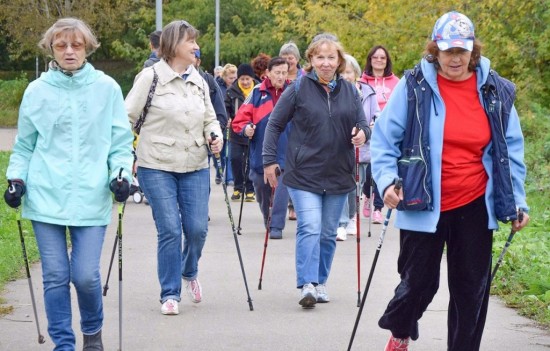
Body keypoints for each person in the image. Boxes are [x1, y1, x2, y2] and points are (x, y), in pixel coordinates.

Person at [370, 11, 530, 351]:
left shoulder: (494, 91)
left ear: (473, 51)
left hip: (475, 203)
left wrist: (517, 200)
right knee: (418, 285)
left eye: (462, 50)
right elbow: (384, 140)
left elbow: (510, 149)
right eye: (447, 50)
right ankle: (400, 330)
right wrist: (386, 182)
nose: (455, 58)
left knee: (471, 291)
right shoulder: (414, 87)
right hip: (421, 200)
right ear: (435, 51)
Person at [3, 17, 134, 350]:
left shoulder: (107, 88)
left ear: (87, 47)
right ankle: (64, 344)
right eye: (61, 45)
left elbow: (120, 143)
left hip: (91, 197)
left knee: (86, 276)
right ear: (51, 48)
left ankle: (92, 335)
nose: (69, 51)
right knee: (56, 276)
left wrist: (121, 175)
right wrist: (16, 179)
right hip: (46, 196)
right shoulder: (37, 91)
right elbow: (25, 145)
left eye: (76, 44)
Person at [263, 33, 369, 308]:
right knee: (309, 226)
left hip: (338, 173)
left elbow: (363, 124)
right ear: (310, 59)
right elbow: (275, 124)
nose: (325, 62)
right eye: (319, 57)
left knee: (327, 232)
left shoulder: (350, 91)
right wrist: (269, 160)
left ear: (339, 60)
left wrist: (362, 135)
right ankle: (307, 284)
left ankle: (321, 281)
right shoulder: (298, 88)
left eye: (331, 57)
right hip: (303, 173)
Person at [125, 20, 222, 316]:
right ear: (172, 45)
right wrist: (125, 154)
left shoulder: (199, 80)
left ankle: (188, 270)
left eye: (195, 40)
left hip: (194, 163)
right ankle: (169, 293)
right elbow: (125, 118)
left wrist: (215, 136)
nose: (195, 46)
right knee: (169, 229)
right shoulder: (149, 77)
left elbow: (210, 118)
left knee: (197, 229)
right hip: (156, 165)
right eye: (189, 41)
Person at [232, 57, 291, 239]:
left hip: (287, 150)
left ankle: (276, 225)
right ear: (268, 73)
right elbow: (239, 120)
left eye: (284, 73)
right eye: (277, 73)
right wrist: (245, 129)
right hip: (261, 152)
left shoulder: (294, 92)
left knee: (282, 187)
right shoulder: (258, 93)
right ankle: (268, 217)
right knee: (261, 187)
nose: (281, 77)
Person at [336, 54, 379, 241]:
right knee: (344, 185)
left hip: (363, 148)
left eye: (349, 72)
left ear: (355, 73)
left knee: (356, 186)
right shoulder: (335, 92)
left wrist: (371, 126)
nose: (346, 76)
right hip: (341, 148)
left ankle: (352, 216)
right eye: (343, 72)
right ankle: (342, 222)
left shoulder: (367, 92)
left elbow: (377, 115)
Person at [360, 45, 400, 224]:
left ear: (387, 61)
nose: (379, 60)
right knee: (369, 170)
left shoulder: (396, 82)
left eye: (382, 58)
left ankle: (377, 208)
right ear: (370, 60)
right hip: (368, 129)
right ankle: (367, 194)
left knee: (381, 166)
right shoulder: (361, 82)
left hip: (388, 130)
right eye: (375, 57)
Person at [194, 49, 229, 186]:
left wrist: (215, 133)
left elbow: (220, 113)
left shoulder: (207, 81)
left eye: (194, 57)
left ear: (198, 61)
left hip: (203, 142)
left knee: (200, 185)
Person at [279, 41, 305, 221]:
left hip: (302, 124)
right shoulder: (278, 77)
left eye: (291, 58)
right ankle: (289, 204)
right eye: (285, 58)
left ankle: (296, 204)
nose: (289, 61)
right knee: (286, 165)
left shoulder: (305, 76)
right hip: (284, 124)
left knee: (299, 165)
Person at [225, 63, 258, 202]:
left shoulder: (258, 90)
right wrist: (227, 118)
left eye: (247, 79)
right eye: (242, 79)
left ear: (252, 79)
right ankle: (238, 188)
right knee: (235, 159)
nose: (245, 82)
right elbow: (226, 107)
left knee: (250, 161)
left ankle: (250, 189)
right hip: (236, 131)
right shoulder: (231, 91)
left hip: (253, 131)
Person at [215, 63, 238, 185]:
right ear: (224, 77)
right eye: (231, 78)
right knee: (221, 152)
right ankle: (220, 173)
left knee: (228, 153)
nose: (233, 80)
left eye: (235, 78)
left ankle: (229, 177)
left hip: (231, 124)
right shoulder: (218, 87)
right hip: (220, 123)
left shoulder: (236, 88)